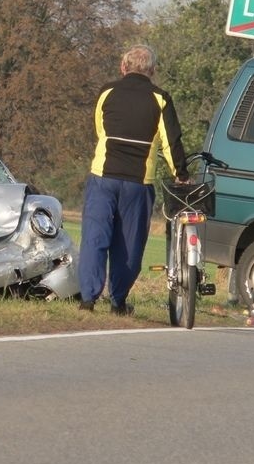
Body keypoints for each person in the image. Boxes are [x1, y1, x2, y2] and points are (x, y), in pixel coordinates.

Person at [78, 44, 188, 314]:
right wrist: (181, 174)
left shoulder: (107, 92)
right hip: (138, 183)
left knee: (95, 237)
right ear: (152, 71)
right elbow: (171, 142)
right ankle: (118, 302)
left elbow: (100, 129)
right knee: (129, 244)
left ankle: (88, 300)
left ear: (123, 67)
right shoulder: (160, 99)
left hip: (103, 176)